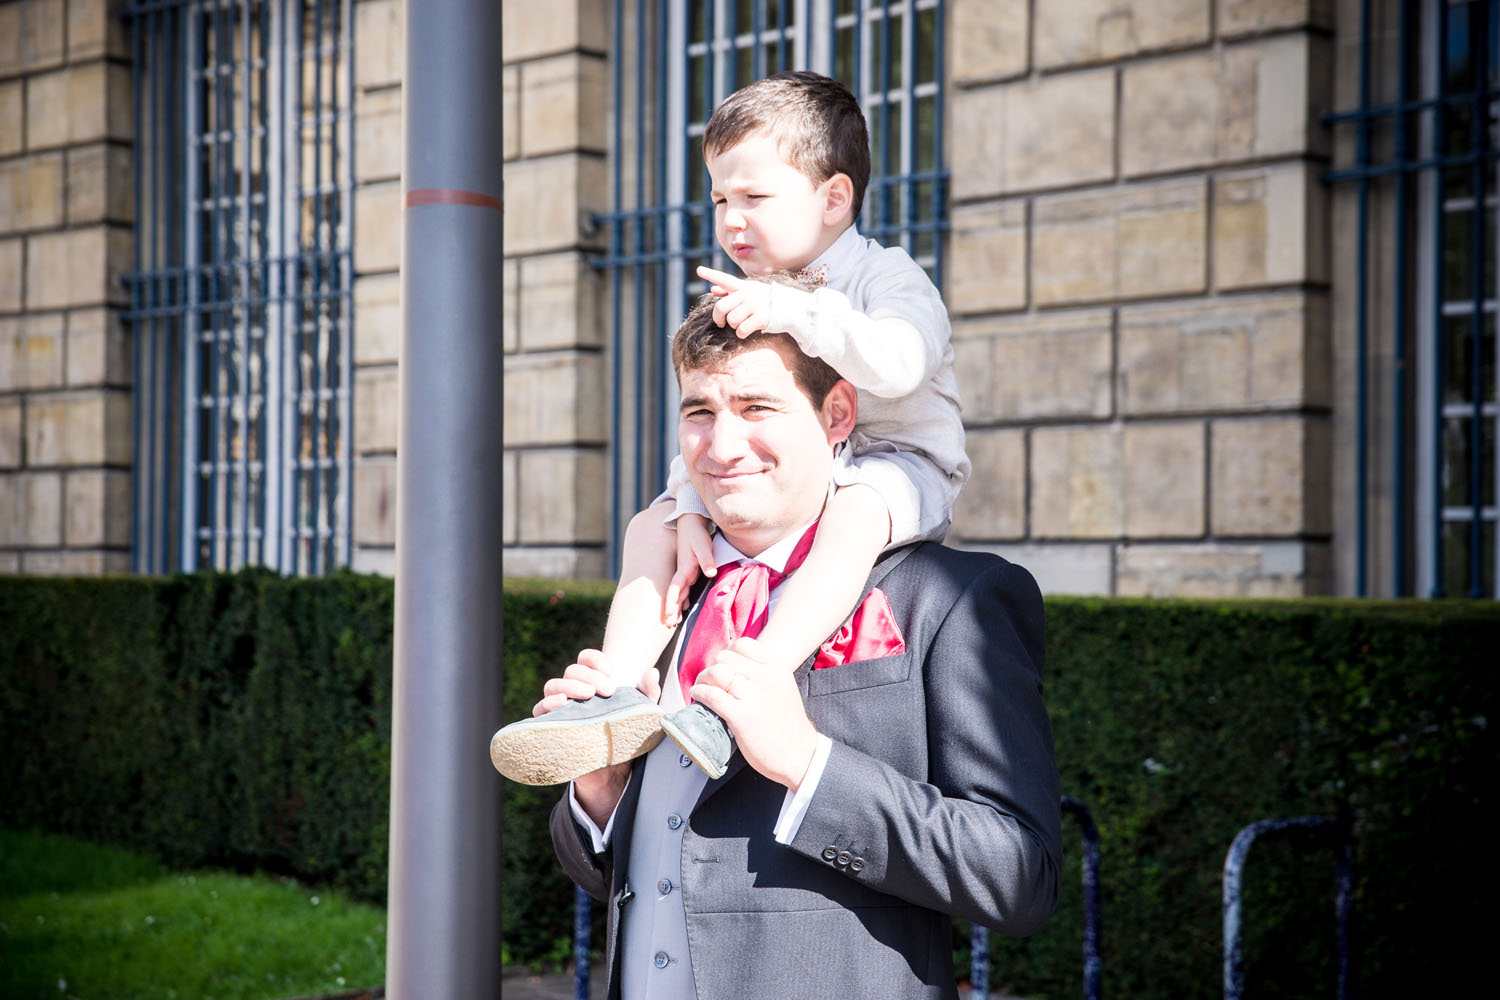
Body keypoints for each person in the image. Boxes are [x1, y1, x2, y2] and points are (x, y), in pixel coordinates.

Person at [541, 301, 1061, 999]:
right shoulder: (661, 601)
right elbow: (632, 875)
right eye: (699, 412)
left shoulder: (951, 598)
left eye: (756, 407)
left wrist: (809, 766)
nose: (722, 446)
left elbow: (1019, 875)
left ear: (837, 414)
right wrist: (600, 792)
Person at [491, 69, 968, 784]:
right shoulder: (760, 291)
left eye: (753, 198)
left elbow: (900, 366)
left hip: (897, 462)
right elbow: (714, 408)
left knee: (858, 514)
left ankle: (749, 681)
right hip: (797, 476)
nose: (730, 221)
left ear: (835, 198)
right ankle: (612, 695)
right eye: (719, 199)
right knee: (651, 525)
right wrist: (688, 500)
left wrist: (796, 314)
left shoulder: (889, 278)